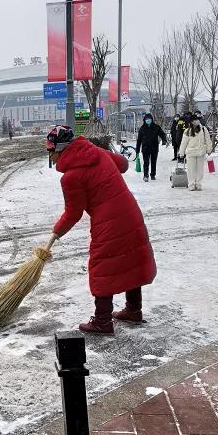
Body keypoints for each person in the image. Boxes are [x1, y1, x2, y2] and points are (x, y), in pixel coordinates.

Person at [46, 125, 157, 335]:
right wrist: (105, 157)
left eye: (51, 151)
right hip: (129, 211)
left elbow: (73, 213)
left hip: (109, 222)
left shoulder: (71, 177)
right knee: (130, 259)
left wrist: (56, 232)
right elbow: (123, 164)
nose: (50, 156)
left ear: (61, 149)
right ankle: (134, 310)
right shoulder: (95, 152)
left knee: (102, 266)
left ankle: (102, 321)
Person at [178, 116, 213, 191]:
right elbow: (184, 143)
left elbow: (208, 140)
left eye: (197, 120)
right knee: (191, 170)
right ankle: (191, 184)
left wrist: (209, 150)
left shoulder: (203, 129)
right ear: (191, 122)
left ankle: (198, 184)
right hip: (191, 153)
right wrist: (181, 152)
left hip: (201, 152)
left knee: (200, 170)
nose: (197, 121)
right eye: (195, 120)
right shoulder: (187, 130)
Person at [135, 112, 168, 182]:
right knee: (146, 162)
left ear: (152, 119)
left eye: (149, 119)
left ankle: (153, 175)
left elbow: (162, 134)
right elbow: (139, 140)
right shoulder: (142, 129)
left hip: (154, 147)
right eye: (146, 119)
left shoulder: (156, 127)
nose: (148, 120)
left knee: (153, 162)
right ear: (144, 120)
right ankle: (145, 175)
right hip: (145, 148)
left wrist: (164, 140)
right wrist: (137, 150)